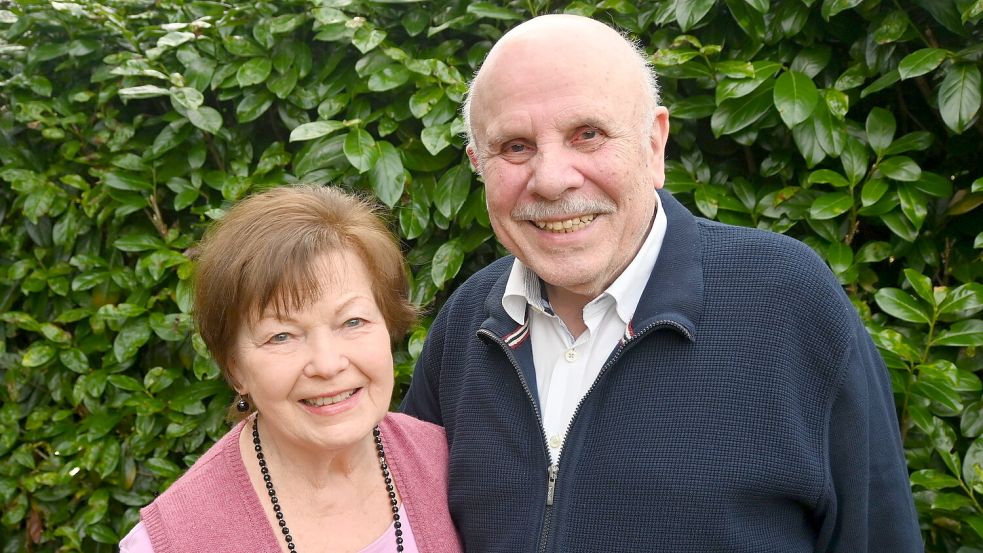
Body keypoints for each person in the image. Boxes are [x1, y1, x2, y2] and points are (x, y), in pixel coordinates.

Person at [401, 14, 922, 552]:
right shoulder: (465, 328)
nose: (552, 179)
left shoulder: (787, 304)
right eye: (515, 147)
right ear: (478, 165)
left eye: (588, 134)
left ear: (654, 145)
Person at [120, 185, 462, 552]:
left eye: (352, 322)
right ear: (235, 369)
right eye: (281, 336)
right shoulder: (172, 541)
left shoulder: (453, 465)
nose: (328, 365)